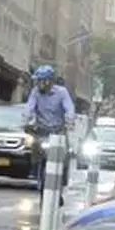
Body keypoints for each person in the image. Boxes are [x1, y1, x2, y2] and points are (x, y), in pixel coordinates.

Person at [23, 65, 76, 200]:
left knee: (64, 157)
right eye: (37, 81)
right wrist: (26, 118)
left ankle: (60, 187)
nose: (38, 84)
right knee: (34, 150)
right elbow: (29, 106)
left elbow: (69, 108)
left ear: (49, 81)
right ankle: (36, 172)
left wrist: (70, 120)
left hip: (58, 133)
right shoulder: (35, 92)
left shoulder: (62, 92)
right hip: (41, 131)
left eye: (41, 80)